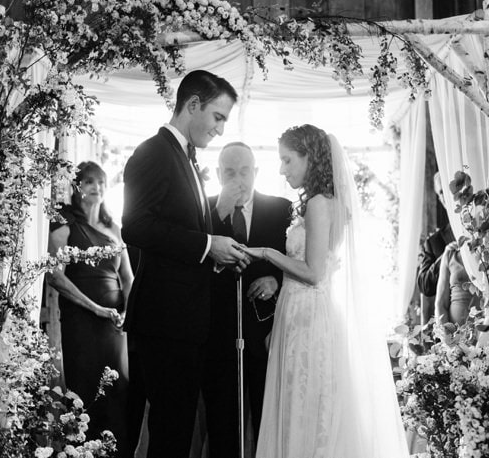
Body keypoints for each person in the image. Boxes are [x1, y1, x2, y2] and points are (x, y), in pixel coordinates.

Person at [241, 124, 406, 456]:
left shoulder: (318, 202)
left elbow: (314, 273)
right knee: (314, 402)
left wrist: (266, 253)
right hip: (306, 312)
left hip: (306, 314)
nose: (282, 169)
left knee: (304, 401)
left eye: (288, 160)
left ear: (309, 158)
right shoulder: (329, 201)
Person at [120, 69, 251, 458]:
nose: (221, 130)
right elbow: (136, 226)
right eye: (218, 117)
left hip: (184, 320)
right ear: (192, 105)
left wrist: (219, 254)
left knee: (177, 428)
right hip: (164, 320)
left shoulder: (185, 157)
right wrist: (208, 245)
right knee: (170, 431)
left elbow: (182, 231)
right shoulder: (153, 153)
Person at [200, 143, 291, 458]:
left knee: (269, 416)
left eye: (244, 171)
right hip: (218, 334)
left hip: (267, 333)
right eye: (229, 172)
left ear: (256, 172)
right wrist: (218, 213)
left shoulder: (282, 209)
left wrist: (276, 280)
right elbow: (193, 265)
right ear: (217, 174)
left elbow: (301, 262)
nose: (238, 179)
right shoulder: (204, 211)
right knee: (222, 421)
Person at [45, 160, 132, 445]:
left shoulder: (114, 229)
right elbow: (55, 276)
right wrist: (95, 308)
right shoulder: (63, 222)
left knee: (118, 390)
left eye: (101, 182)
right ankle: (82, 450)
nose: (96, 187)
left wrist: (126, 313)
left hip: (113, 326)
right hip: (81, 324)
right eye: (89, 181)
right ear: (76, 187)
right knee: (85, 391)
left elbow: (128, 278)